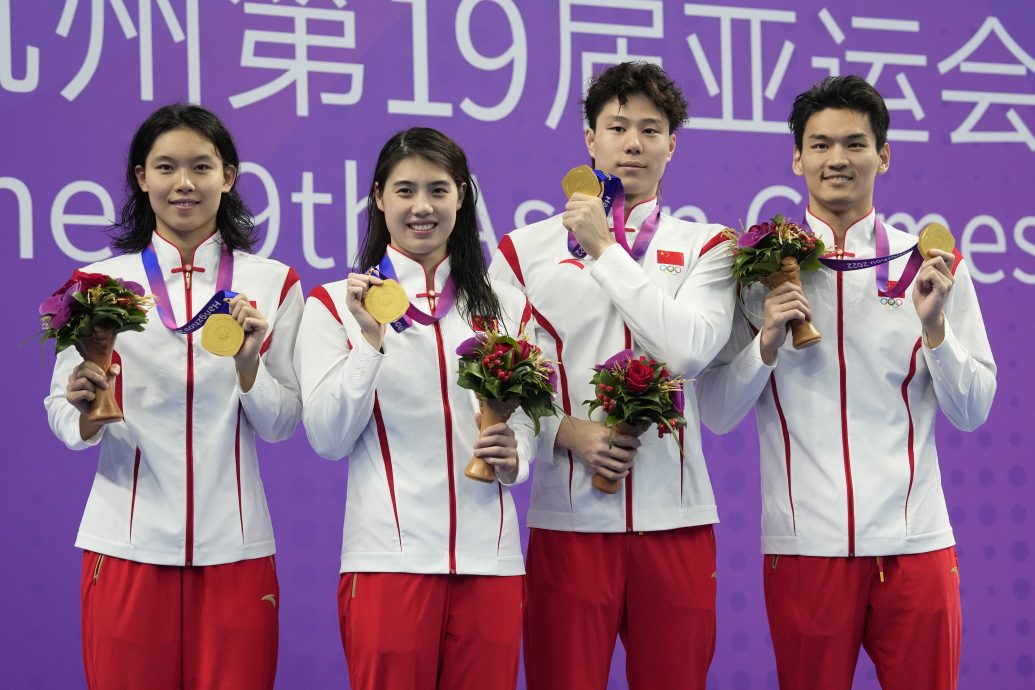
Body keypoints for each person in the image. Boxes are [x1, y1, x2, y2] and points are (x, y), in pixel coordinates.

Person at [696, 75, 997, 689]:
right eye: (821, 144)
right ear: (797, 156)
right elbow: (717, 413)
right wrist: (766, 344)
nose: (838, 159)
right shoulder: (755, 272)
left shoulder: (932, 266)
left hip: (917, 547)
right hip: (806, 549)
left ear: (884, 155)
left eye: (856, 144)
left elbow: (973, 410)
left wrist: (935, 329)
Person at [489, 61, 735, 689]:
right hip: (569, 524)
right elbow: (502, 384)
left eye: (650, 130)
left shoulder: (708, 245)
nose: (633, 143)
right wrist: (564, 433)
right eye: (617, 127)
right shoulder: (522, 251)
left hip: (675, 524)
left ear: (672, 145)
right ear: (589, 139)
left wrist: (605, 250)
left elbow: (688, 352)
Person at [44, 104, 303, 690]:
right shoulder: (98, 283)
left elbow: (284, 421)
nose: (183, 183)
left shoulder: (273, 283)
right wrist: (84, 410)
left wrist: (247, 367)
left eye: (201, 167)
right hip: (126, 547)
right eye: (166, 167)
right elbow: (61, 412)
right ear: (142, 178)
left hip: (236, 551)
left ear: (228, 177)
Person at [295, 127, 535, 690]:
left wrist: (516, 453)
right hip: (388, 565)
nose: (421, 207)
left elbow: (529, 417)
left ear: (462, 197)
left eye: (438, 189)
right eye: (405, 191)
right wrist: (369, 343)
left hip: (492, 565)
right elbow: (327, 438)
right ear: (379, 197)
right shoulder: (334, 304)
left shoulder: (506, 306)